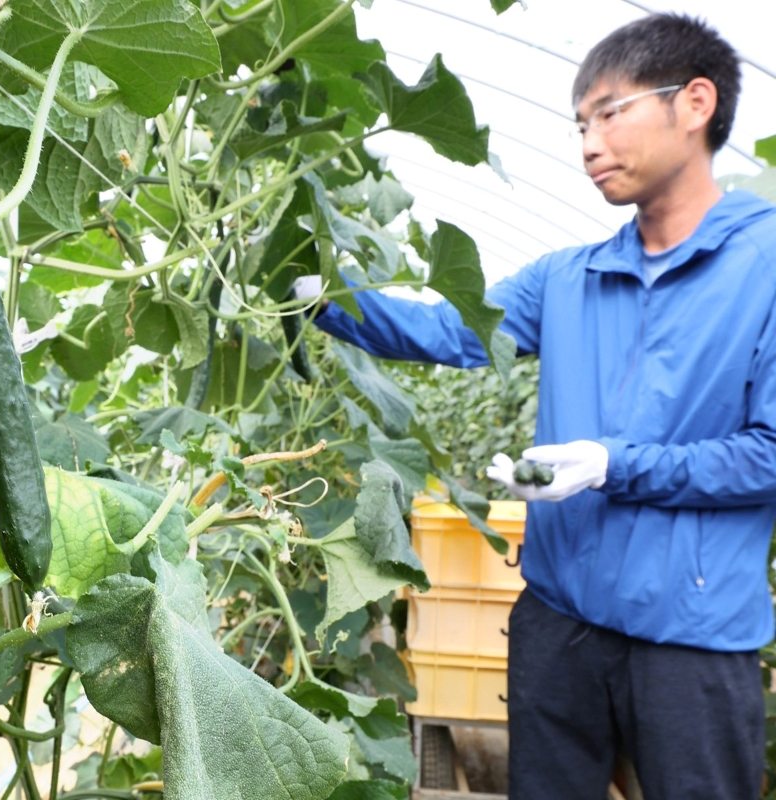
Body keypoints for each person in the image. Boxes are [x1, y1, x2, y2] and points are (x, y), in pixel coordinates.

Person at [295, 13, 776, 799]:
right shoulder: (568, 276)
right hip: (558, 623)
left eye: (611, 112)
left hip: (690, 643)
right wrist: (322, 300)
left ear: (695, 104)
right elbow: (452, 328)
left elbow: (770, 452)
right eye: (579, 123)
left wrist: (611, 466)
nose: (588, 142)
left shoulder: (765, 266)